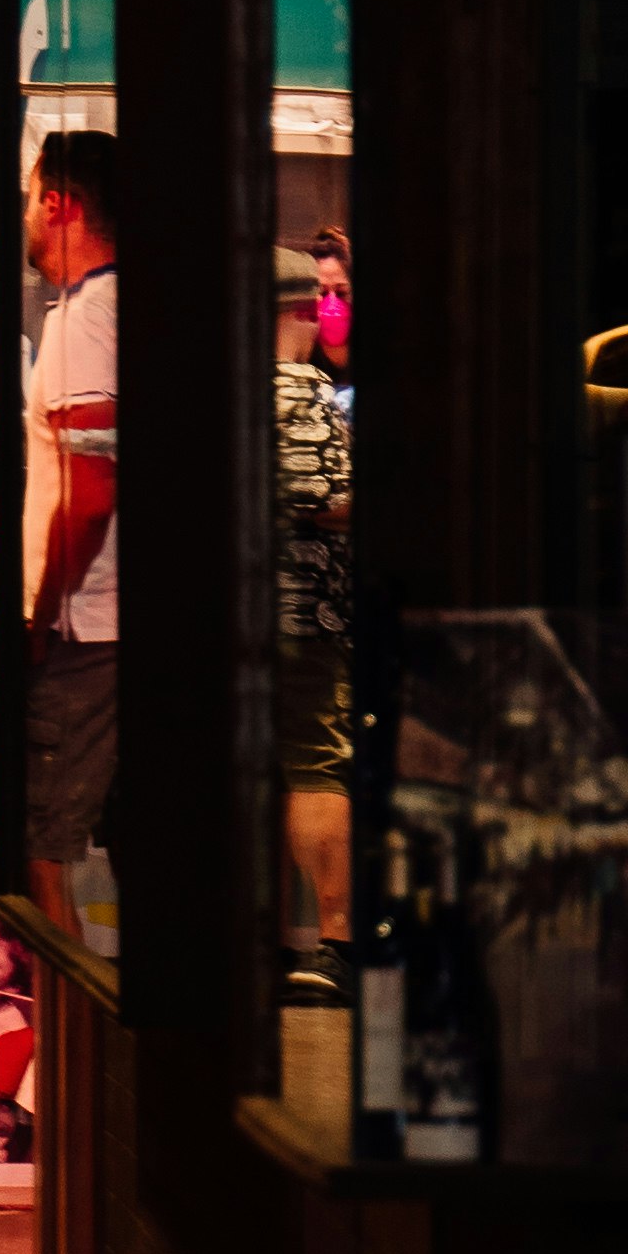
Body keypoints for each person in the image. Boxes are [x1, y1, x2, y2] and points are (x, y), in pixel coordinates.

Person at [23, 131, 121, 937]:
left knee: (45, 845)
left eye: (26, 197)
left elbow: (89, 497)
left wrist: (42, 612)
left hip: (88, 628)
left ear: (59, 205)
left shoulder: (86, 320)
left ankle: (68, 1050)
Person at [272, 246, 354, 952]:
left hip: (244, 613)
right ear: (302, 310)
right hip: (306, 614)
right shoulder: (304, 391)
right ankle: (335, 937)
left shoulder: (226, 391)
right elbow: (322, 495)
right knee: (317, 764)